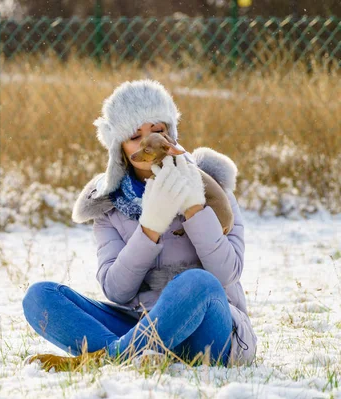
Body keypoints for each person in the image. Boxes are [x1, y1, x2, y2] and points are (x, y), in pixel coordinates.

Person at [21, 79, 257, 372]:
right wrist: (150, 228)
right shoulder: (109, 204)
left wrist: (194, 206)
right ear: (120, 148)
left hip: (211, 333)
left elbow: (227, 273)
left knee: (199, 282)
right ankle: (139, 354)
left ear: (170, 135)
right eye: (135, 135)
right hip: (139, 324)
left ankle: (107, 359)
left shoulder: (213, 188)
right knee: (40, 297)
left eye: (156, 131)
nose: (146, 143)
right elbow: (117, 291)